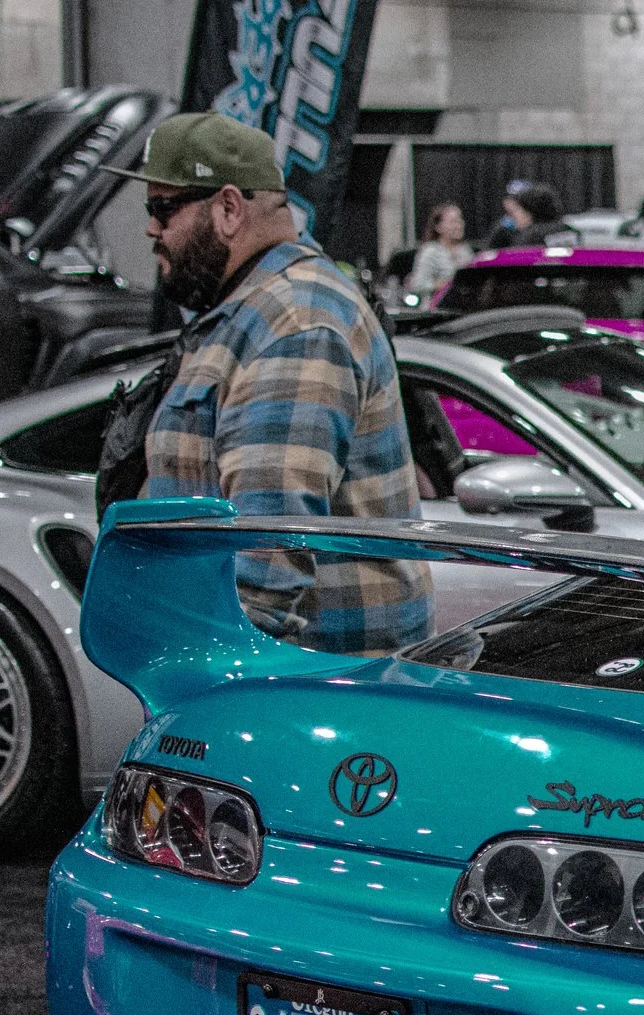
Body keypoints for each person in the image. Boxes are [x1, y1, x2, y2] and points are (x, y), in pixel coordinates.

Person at [103, 112, 428, 652]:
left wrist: (214, 686)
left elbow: (264, 561)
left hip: (313, 693)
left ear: (228, 208)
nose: (151, 229)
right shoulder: (248, 312)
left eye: (164, 209)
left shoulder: (295, 323)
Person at [406, 201, 470, 306]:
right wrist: (442, 285)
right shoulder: (430, 251)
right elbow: (417, 285)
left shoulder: (465, 251)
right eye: (453, 222)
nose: (458, 225)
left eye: (460, 220)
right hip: (437, 310)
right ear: (438, 227)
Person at [504, 183, 574, 248]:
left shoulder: (529, 238)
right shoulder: (567, 228)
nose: (513, 216)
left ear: (529, 212)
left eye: (517, 210)